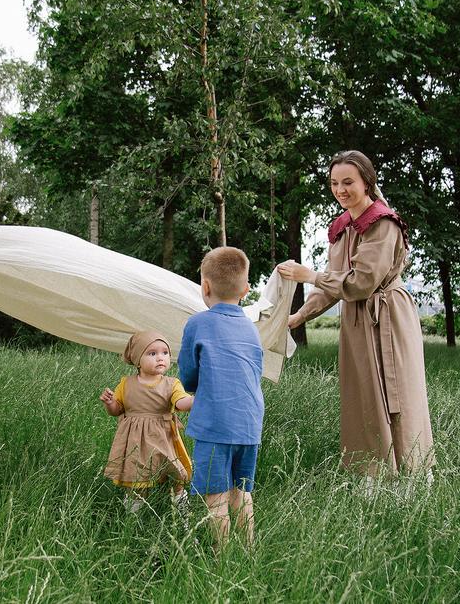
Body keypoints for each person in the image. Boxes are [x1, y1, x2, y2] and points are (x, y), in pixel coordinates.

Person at [277, 150, 434, 491]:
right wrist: (299, 316)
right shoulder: (342, 227)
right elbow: (336, 284)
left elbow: (361, 282)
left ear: (366, 181)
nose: (340, 189)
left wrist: (309, 275)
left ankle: (414, 478)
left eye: (348, 182)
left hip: (387, 315)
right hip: (357, 321)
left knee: (398, 395)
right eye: (334, 183)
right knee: (363, 395)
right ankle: (374, 475)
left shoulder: (383, 223)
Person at [179, 247, 264, 548]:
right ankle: (249, 550)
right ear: (246, 290)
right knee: (242, 491)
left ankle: (223, 559)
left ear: (205, 286)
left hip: (216, 424)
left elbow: (188, 377)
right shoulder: (251, 329)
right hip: (250, 425)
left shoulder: (197, 324)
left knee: (215, 495)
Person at [100, 331, 194, 514]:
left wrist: (196, 400)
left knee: (175, 475)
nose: (160, 358)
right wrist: (110, 402)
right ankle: (133, 517)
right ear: (137, 360)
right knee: (138, 479)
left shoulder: (172, 383)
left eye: (165, 353)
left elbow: (181, 403)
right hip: (136, 441)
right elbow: (117, 411)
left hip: (164, 439)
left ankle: (182, 512)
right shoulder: (126, 384)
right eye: (152, 353)